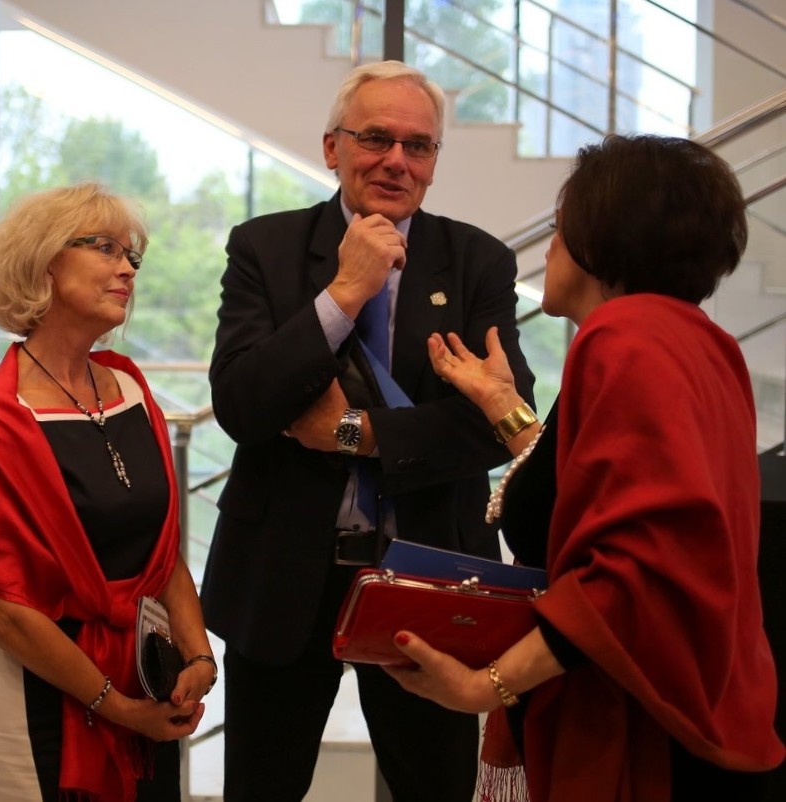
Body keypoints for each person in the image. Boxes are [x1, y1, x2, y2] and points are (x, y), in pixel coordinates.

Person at [385, 134, 785, 802]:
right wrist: (502, 404)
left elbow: (634, 570)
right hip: (699, 708)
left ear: (603, 241)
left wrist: (487, 686)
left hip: (640, 732)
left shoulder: (620, 341)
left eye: (561, 229)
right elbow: (602, 487)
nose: (548, 248)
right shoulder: (699, 342)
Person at [199, 60, 535, 802]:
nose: (396, 160)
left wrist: (353, 433)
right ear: (332, 148)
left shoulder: (477, 260)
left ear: (435, 162)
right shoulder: (266, 248)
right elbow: (243, 407)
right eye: (376, 138)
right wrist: (345, 292)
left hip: (429, 572)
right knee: (262, 785)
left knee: (435, 786)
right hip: (285, 572)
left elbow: (494, 427)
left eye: (419, 146)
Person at [0, 183, 218, 802]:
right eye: (105, 247)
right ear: (44, 261)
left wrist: (198, 657)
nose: (127, 268)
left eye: (132, 255)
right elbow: (1, 611)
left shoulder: (130, 386)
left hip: (147, 672)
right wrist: (116, 707)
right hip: (37, 691)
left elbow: (161, 553)